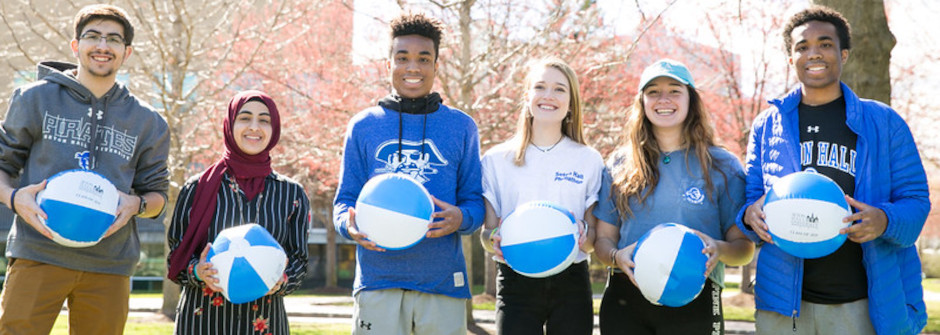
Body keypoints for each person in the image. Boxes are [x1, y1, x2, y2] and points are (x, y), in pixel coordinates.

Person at [737, 6, 930, 335]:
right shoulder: (767, 125)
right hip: (783, 306)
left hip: (860, 303)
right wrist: (749, 215)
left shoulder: (884, 122)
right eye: (802, 46)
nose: (813, 53)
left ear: (843, 54)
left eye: (825, 44)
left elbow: (916, 201)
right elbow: (752, 198)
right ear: (791, 59)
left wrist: (883, 220)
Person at [0, 4, 170, 334]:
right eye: (93, 36)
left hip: (110, 263)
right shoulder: (34, 99)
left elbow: (157, 196)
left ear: (127, 51)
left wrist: (137, 204)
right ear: (76, 46)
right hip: (38, 252)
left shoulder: (148, 122)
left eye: (113, 39)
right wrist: (14, 197)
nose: (103, 46)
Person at [332, 12, 484, 335]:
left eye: (423, 58)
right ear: (388, 65)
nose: (413, 67)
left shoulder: (462, 127)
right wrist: (349, 223)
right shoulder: (363, 126)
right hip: (378, 283)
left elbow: (475, 203)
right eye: (402, 58)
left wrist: (462, 217)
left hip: (443, 284)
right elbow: (343, 201)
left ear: (436, 66)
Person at [593, 59, 754, 335]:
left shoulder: (722, 165)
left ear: (691, 99)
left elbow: (743, 249)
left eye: (674, 90)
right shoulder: (619, 163)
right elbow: (603, 240)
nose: (663, 99)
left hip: (695, 294)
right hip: (625, 298)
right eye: (653, 91)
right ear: (641, 102)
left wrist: (719, 249)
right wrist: (616, 256)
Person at [166, 90, 309, 334]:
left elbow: (299, 260)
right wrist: (198, 272)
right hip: (203, 321)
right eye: (244, 118)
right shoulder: (197, 187)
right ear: (230, 125)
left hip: (265, 321)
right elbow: (176, 258)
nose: (254, 127)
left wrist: (281, 280)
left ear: (274, 129)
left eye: (264, 120)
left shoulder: (291, 194)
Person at [479, 57, 601, 335]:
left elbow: (594, 239)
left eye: (560, 89)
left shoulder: (589, 159)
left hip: (571, 282)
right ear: (527, 97)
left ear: (571, 103)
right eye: (540, 87)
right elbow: (487, 234)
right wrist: (494, 240)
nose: (549, 96)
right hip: (515, 281)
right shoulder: (496, 159)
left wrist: (585, 234)